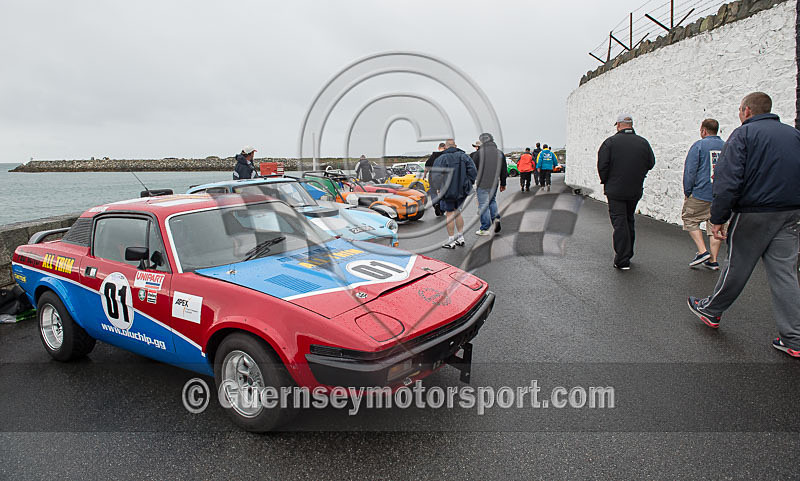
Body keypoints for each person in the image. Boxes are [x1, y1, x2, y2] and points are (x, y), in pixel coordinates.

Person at [687, 92, 800, 359]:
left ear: (747, 111)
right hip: (790, 212)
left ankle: (711, 310)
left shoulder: (744, 135)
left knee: (737, 265)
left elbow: (728, 179)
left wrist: (718, 217)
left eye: (740, 110)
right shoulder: (794, 135)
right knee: (784, 273)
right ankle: (794, 337)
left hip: (754, 211)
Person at [597, 114, 656, 270]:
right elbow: (651, 163)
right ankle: (628, 254)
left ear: (618, 125)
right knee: (629, 219)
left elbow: (602, 165)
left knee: (620, 222)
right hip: (635, 188)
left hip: (615, 189)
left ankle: (622, 259)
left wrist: (606, 181)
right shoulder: (643, 142)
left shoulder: (610, 143)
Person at [682, 119, 726, 270]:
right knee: (716, 225)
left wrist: (688, 191)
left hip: (701, 192)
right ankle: (713, 260)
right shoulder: (727, 146)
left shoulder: (699, 146)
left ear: (704, 130)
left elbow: (690, 171)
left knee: (689, 218)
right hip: (721, 195)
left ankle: (702, 252)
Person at [431, 139, 477, 248]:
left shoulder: (441, 158)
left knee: (449, 214)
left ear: (446, 147)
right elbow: (473, 172)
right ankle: (460, 237)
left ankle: (451, 241)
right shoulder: (464, 156)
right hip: (461, 190)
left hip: (447, 191)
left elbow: (436, 175)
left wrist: (438, 187)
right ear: (455, 146)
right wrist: (468, 183)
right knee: (458, 212)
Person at [470, 133, 507, 236]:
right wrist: (503, 183)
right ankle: (496, 219)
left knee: (483, 205)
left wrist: (471, 181)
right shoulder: (499, 153)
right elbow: (503, 169)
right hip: (495, 181)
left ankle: (485, 228)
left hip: (482, 182)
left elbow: (472, 169)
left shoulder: (479, 154)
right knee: (492, 201)